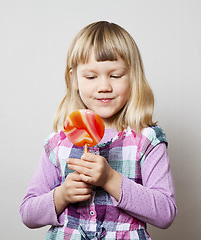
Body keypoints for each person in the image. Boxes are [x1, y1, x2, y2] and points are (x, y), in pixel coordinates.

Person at [20, 21, 177, 240]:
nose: (104, 86)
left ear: (133, 76)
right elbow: (27, 214)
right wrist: (62, 195)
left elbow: (165, 213)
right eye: (91, 77)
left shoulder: (146, 141)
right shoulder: (58, 143)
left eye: (115, 75)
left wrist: (110, 179)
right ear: (74, 78)